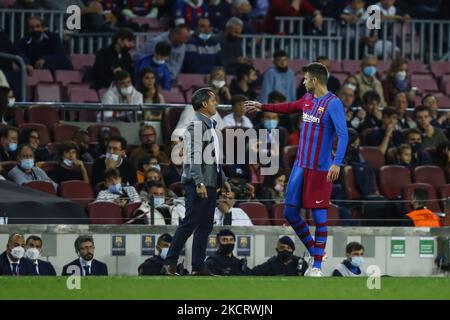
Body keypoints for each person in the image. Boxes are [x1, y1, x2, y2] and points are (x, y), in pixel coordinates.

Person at [245, 62, 348, 277]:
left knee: (319, 217)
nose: (303, 81)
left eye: (306, 78)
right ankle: (315, 251)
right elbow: (288, 106)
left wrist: (336, 162)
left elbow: (343, 135)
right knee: (290, 213)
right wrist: (261, 106)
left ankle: (317, 267)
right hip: (301, 165)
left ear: (315, 80)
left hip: (320, 169)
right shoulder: (308, 99)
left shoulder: (333, 104)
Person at [161, 88, 230, 276]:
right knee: (190, 222)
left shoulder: (210, 126)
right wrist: (199, 182)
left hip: (209, 182)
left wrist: (222, 179)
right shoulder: (196, 126)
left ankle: (198, 266)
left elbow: (213, 159)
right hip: (197, 183)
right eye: (214, 100)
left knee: (206, 225)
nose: (216, 103)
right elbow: (192, 157)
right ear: (204, 104)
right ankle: (170, 262)